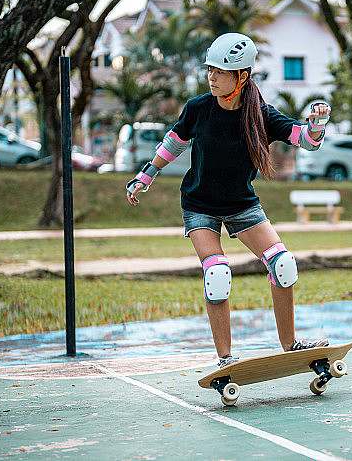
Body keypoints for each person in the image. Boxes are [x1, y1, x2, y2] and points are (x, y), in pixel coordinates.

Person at [126, 32, 331, 368]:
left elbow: (304, 140)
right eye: (210, 70)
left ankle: (290, 344)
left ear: (242, 76)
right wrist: (145, 176)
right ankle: (226, 359)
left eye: (219, 72)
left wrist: (317, 126)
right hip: (199, 205)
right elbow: (174, 143)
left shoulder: (261, 114)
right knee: (217, 273)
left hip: (241, 205)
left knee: (283, 265)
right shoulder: (198, 108)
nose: (211, 77)